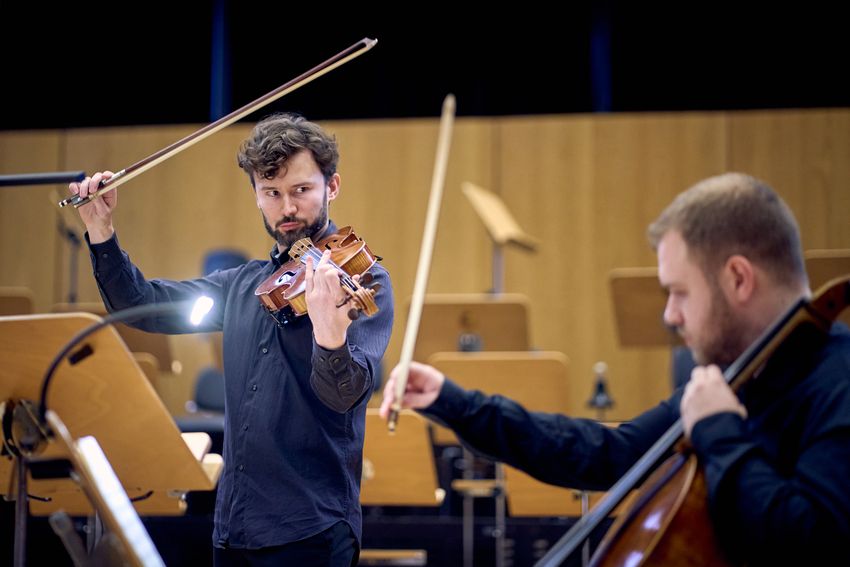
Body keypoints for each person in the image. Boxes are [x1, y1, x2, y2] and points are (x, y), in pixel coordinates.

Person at [380, 172, 850, 565]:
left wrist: (721, 432)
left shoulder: (837, 381)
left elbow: (813, 538)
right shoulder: (733, 380)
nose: (670, 315)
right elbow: (604, 453)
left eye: (679, 292)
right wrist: (456, 403)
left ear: (738, 279)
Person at [71, 113, 394, 566]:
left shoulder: (360, 278)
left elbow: (345, 397)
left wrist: (330, 338)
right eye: (272, 193)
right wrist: (100, 230)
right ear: (256, 196)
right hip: (235, 528)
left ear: (331, 186)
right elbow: (139, 303)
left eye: (301, 190)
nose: (287, 209)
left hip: (313, 529)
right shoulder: (241, 287)